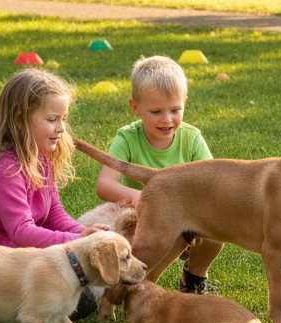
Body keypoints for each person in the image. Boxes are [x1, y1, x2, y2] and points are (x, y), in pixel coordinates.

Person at [0, 68, 107, 322]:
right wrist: (77, 243)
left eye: (64, 118)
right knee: (71, 290)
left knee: (78, 292)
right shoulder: (4, 168)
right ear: (20, 120)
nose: (61, 128)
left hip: (6, 255)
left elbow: (54, 214)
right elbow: (20, 232)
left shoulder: (40, 157)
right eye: (52, 119)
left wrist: (84, 234)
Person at [94, 55, 219, 293]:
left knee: (215, 235)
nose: (167, 119)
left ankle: (194, 277)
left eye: (175, 110)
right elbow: (105, 184)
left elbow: (213, 181)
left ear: (185, 102)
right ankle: (136, 289)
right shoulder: (127, 138)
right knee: (145, 279)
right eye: (156, 111)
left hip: (186, 215)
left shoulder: (191, 138)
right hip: (143, 218)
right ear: (135, 107)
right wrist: (141, 197)